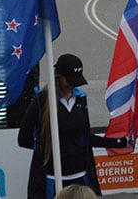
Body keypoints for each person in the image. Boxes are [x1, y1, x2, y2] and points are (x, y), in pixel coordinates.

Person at [18, 54, 129, 198]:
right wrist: (46, 149)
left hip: (81, 178)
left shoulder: (80, 99)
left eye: (76, 81)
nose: (72, 85)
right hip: (52, 179)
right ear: (58, 77)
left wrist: (119, 142)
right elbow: (23, 139)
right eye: (69, 80)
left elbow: (85, 137)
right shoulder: (41, 101)